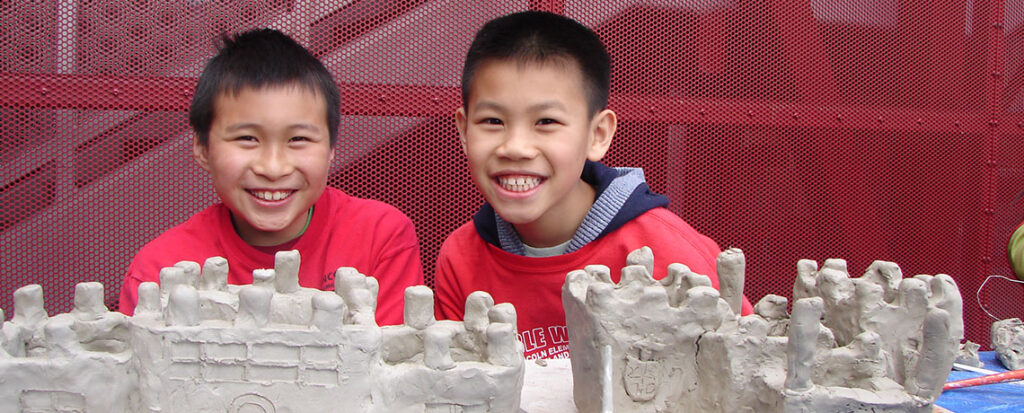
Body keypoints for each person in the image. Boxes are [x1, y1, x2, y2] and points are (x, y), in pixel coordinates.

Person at [434, 11, 753, 359]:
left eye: (546, 121)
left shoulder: (668, 252)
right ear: (464, 132)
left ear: (597, 135)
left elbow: (738, 363)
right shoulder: (460, 258)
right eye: (493, 121)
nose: (515, 147)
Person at [118, 29, 423, 325]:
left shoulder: (380, 238)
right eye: (247, 139)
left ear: (332, 148)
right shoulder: (160, 269)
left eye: (298, 139)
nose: (273, 168)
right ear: (202, 149)